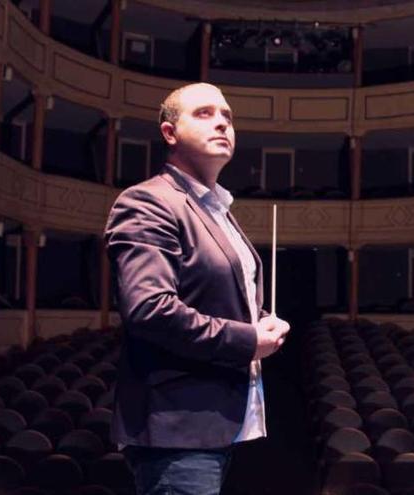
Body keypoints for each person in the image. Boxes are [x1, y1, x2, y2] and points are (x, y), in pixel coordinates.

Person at [104, 82, 291, 495]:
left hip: (219, 425)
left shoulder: (219, 209)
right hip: (177, 431)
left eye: (227, 116)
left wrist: (261, 323)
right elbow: (149, 309)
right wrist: (248, 340)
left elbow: (217, 298)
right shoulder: (148, 202)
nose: (222, 123)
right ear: (170, 133)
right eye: (204, 114)